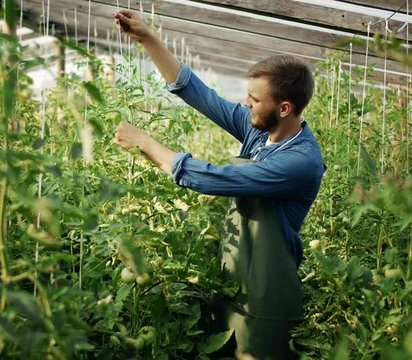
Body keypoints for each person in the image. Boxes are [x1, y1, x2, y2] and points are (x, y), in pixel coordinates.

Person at [112, 10, 325, 360]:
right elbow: (198, 93)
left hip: (268, 296)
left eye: (255, 100)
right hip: (234, 281)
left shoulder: (300, 162)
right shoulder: (260, 131)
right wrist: (148, 39)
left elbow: (216, 178)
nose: (245, 104)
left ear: (284, 108)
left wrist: (147, 143)